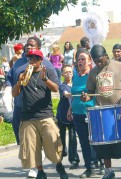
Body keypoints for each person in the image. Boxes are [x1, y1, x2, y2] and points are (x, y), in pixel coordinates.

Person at [11, 49, 68, 179]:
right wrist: (19, 82)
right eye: (31, 58)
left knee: (53, 142)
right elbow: (14, 94)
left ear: (41, 60)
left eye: (36, 58)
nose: (33, 60)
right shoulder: (23, 73)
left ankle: (59, 164)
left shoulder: (47, 71)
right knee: (32, 147)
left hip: (45, 115)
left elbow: (55, 88)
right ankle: (40, 171)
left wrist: (46, 79)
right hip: (28, 117)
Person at [5, 36, 57, 178]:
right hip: (20, 108)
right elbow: (10, 78)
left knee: (38, 141)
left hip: (40, 111)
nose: (28, 47)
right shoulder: (18, 63)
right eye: (27, 45)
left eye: (32, 45)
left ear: (39, 49)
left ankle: (35, 167)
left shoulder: (47, 65)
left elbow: (55, 86)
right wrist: (11, 86)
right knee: (24, 140)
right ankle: (34, 164)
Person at [81, 44, 121, 179]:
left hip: (117, 109)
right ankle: (108, 170)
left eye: (100, 60)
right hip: (101, 111)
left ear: (106, 55)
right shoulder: (93, 72)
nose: (98, 63)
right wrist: (86, 97)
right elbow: (90, 92)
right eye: (95, 61)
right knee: (104, 143)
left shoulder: (119, 66)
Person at [67, 49, 97, 178]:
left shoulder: (92, 75)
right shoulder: (75, 76)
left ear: (90, 62)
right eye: (79, 59)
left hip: (90, 112)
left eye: (83, 59)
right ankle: (89, 168)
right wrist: (70, 109)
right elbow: (74, 95)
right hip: (77, 113)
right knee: (84, 142)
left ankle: (99, 163)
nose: (80, 61)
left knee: (94, 141)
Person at [56, 65, 80, 170]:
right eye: (66, 72)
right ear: (62, 74)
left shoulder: (75, 84)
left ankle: (74, 159)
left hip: (73, 115)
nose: (68, 74)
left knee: (73, 137)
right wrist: (76, 93)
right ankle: (61, 156)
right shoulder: (62, 86)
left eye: (70, 72)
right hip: (62, 115)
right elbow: (66, 95)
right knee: (61, 138)